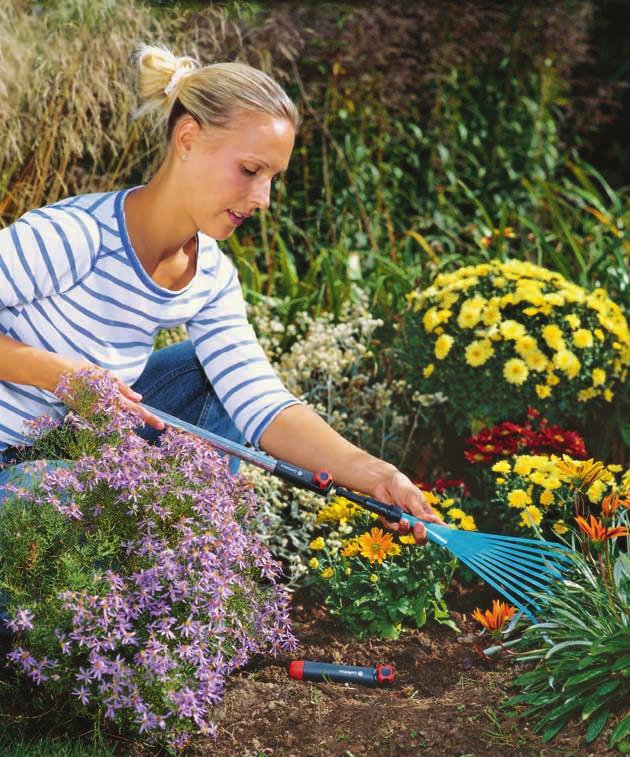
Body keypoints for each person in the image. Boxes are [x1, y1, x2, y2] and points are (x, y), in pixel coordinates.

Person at [0, 44, 439, 542]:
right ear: (187, 138)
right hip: (17, 463)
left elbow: (258, 400)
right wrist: (61, 374)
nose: (263, 199)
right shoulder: (76, 236)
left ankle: (164, 561)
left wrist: (377, 475)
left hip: (60, 450)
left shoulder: (210, 276)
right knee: (82, 506)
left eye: (273, 178)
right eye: (250, 170)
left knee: (211, 376)